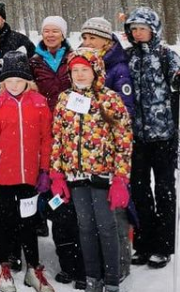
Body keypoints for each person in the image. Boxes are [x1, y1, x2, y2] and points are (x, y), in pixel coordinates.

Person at [50, 48, 133, 292]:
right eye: (75, 70)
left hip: (102, 175)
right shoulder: (65, 99)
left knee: (106, 227)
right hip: (75, 176)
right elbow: (58, 138)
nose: (80, 74)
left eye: (85, 70)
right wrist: (57, 174)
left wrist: (121, 178)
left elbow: (124, 140)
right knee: (85, 227)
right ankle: (92, 278)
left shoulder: (110, 99)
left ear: (95, 71)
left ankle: (112, 280)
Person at [0, 51, 54, 292]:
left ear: (27, 81)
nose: (14, 85)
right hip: (3, 175)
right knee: (4, 221)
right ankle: (3, 266)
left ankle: (33, 269)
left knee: (28, 222)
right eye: (9, 81)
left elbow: (46, 139)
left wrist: (45, 170)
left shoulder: (39, 103)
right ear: (3, 83)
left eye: (18, 80)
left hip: (29, 176)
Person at [29, 16, 85, 289]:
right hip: (44, 135)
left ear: (63, 34)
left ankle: (84, 263)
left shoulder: (74, 59)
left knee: (77, 204)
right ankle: (67, 263)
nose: (50, 35)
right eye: (46, 31)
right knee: (57, 202)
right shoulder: (34, 62)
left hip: (73, 136)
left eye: (55, 31)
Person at [124, 7, 180, 268]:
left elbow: (176, 76)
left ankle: (163, 245)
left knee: (164, 190)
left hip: (163, 136)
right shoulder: (127, 57)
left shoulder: (166, 55)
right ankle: (143, 242)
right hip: (136, 136)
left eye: (143, 28)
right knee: (139, 191)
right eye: (134, 28)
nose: (138, 33)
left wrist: (178, 78)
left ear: (153, 30)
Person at [81, 16, 135, 280]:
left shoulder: (117, 68)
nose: (87, 42)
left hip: (110, 149)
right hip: (88, 151)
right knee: (95, 213)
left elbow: (125, 112)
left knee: (115, 209)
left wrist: (100, 125)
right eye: (84, 37)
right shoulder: (85, 63)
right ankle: (100, 263)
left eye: (92, 38)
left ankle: (120, 263)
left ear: (106, 40)